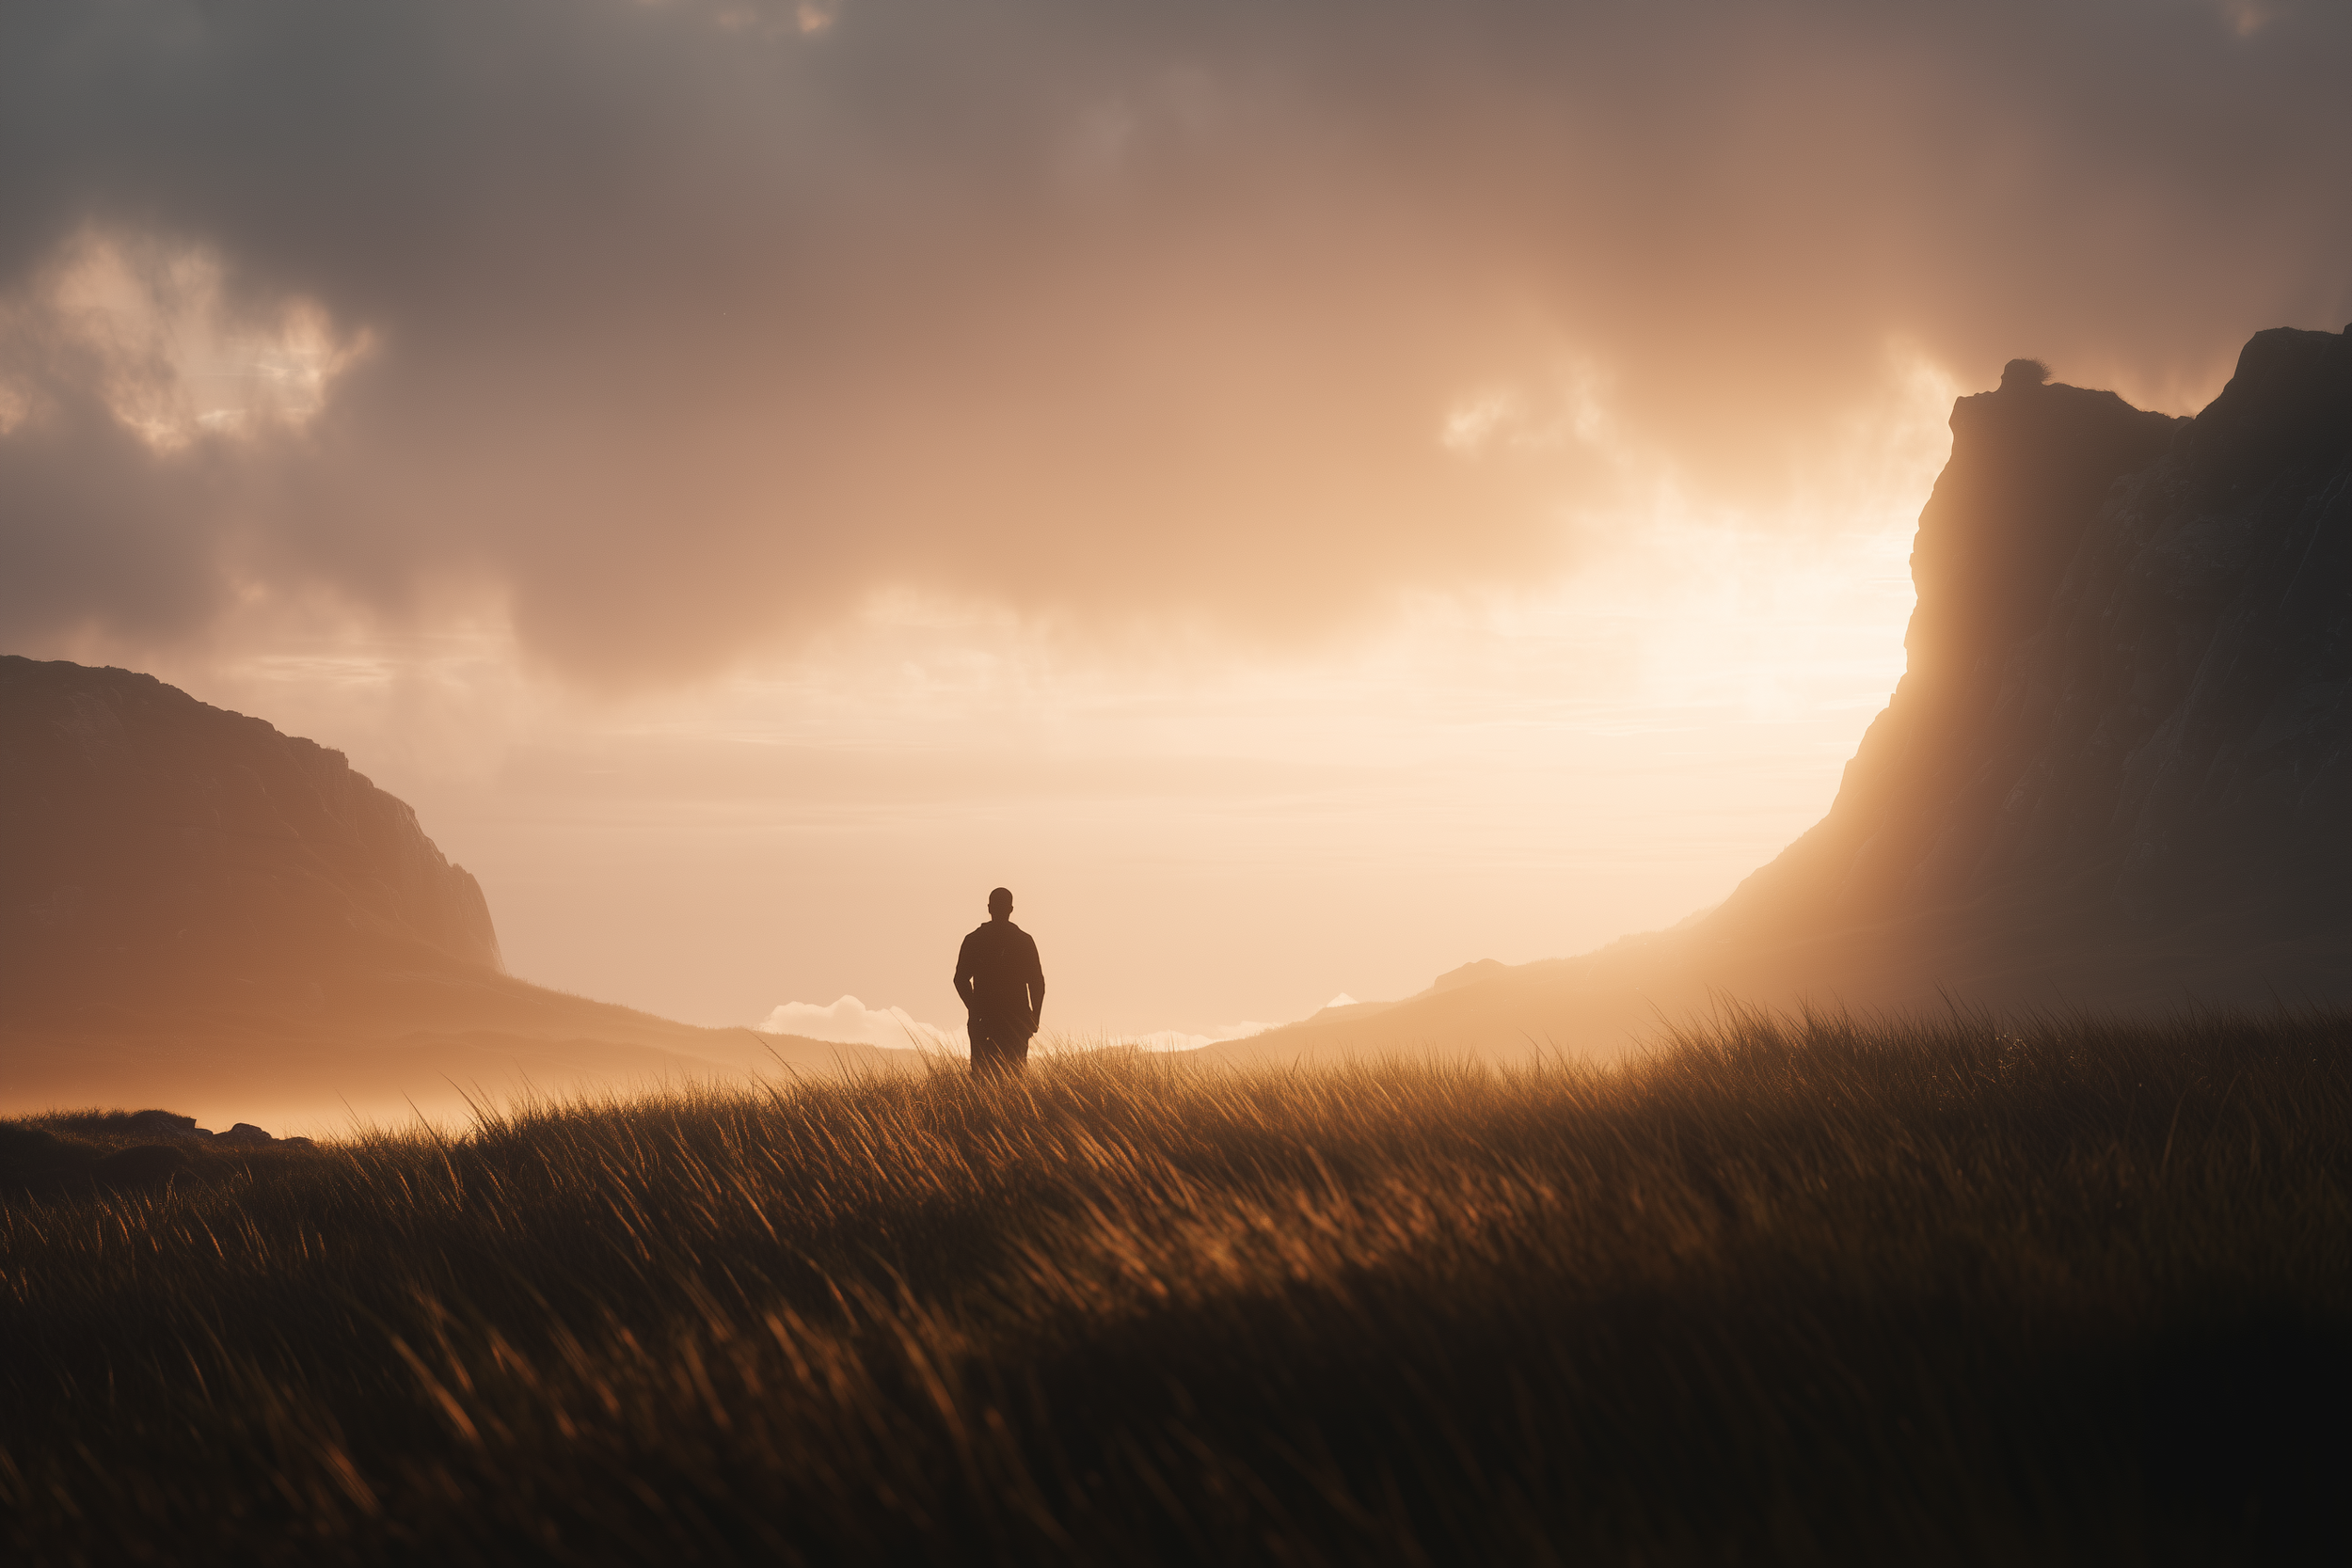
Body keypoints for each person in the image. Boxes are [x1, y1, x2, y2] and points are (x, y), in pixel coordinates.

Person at [953, 887, 1045, 1077]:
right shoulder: (1024, 941)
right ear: (1011, 909)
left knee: (982, 1077)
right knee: (1015, 1076)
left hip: (985, 1020)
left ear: (989, 908)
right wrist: (1034, 1017)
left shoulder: (974, 940)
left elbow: (960, 980)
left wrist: (975, 1008)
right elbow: (1037, 983)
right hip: (1016, 1020)